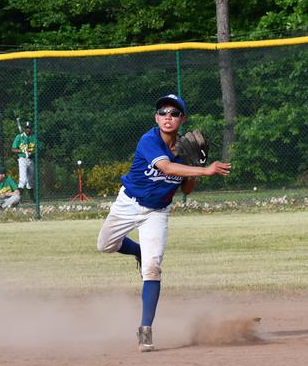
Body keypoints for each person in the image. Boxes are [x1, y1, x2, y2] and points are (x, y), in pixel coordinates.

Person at [97, 94, 231, 352]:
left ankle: (145, 329)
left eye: (174, 113)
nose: (168, 117)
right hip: (129, 203)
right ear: (156, 118)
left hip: (157, 212)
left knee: (153, 268)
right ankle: (137, 250)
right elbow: (167, 168)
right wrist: (206, 170)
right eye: (163, 112)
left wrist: (197, 164)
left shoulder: (185, 151)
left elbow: (188, 190)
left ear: (183, 119)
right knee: (104, 245)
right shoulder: (149, 140)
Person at [11, 122, 37, 190]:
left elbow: (38, 149)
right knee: (23, 179)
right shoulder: (19, 137)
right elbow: (13, 149)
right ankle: (19, 197)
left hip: (31, 159)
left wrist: (31, 152)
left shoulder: (34, 137)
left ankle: (32, 198)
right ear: (25, 128)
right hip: (22, 159)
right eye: (27, 128)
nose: (28, 129)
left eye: (30, 128)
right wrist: (22, 151)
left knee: (30, 180)